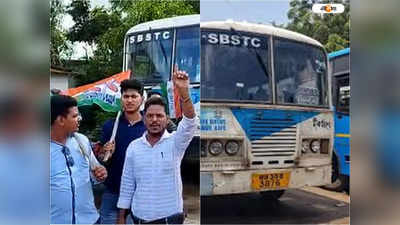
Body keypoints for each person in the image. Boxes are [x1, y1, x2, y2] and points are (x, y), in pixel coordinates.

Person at [116, 66, 196, 224]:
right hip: (139, 218)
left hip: (170, 219)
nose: (154, 120)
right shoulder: (134, 147)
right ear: (144, 118)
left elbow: (189, 123)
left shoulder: (175, 143)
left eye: (159, 116)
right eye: (150, 116)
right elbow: (127, 184)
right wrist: (121, 217)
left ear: (167, 119)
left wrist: (184, 93)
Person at [50, 95, 107, 224]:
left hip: (89, 219)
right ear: (60, 120)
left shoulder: (81, 140)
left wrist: (100, 172)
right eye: (75, 116)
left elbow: (95, 172)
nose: (79, 119)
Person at [98, 79, 147, 224]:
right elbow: (102, 159)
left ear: (142, 99)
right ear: (121, 99)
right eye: (126, 97)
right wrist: (105, 153)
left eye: (134, 96)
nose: (130, 100)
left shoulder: (149, 126)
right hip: (113, 191)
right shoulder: (110, 126)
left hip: (140, 194)